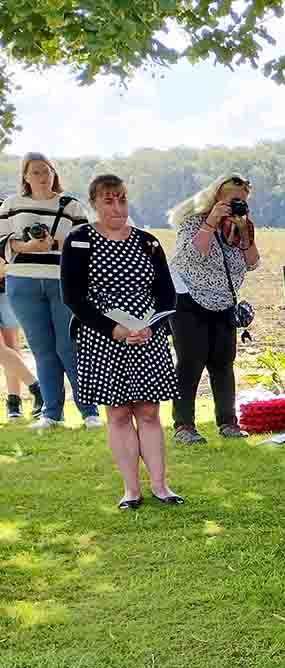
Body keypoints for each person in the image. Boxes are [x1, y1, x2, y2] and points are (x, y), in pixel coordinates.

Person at [61, 175, 182, 508]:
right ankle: (131, 490)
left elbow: (167, 295)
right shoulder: (78, 240)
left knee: (148, 412)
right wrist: (111, 328)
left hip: (146, 336)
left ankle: (161, 486)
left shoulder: (148, 242)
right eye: (109, 201)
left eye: (122, 200)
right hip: (101, 338)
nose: (117, 207)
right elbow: (72, 297)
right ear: (95, 204)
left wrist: (150, 328)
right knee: (117, 414)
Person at [0, 152, 99, 428]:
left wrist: (54, 242)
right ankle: (51, 414)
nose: (43, 177)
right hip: (23, 282)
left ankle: (89, 412)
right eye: (36, 172)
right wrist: (27, 246)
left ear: (54, 173)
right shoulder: (11, 204)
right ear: (25, 177)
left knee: (69, 347)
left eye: (46, 171)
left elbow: (85, 244)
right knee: (42, 349)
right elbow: (1, 242)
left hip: (62, 281)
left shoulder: (70, 206)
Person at [167, 174, 260, 443]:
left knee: (223, 361)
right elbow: (193, 255)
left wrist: (245, 235)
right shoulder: (193, 222)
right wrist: (211, 222)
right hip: (188, 297)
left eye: (242, 201)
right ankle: (184, 426)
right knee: (190, 361)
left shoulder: (241, 227)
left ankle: (228, 423)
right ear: (216, 198)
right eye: (232, 200)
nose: (237, 205)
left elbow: (252, 263)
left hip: (223, 302)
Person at [1, 259, 44, 420]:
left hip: (6, 286)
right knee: (4, 350)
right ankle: (37, 388)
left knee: (11, 345)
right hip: (7, 282)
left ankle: (14, 400)